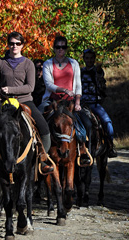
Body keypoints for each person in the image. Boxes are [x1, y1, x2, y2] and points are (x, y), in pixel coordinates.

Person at [0, 31, 54, 174]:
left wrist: (10, 89)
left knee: (44, 128)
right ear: (8, 45)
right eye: (11, 43)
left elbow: (30, 87)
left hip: (24, 101)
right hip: (4, 102)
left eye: (18, 43)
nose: (14, 46)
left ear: (22, 45)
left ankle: (42, 158)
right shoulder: (1, 63)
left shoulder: (28, 64)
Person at [39, 35, 92, 164]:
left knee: (87, 123)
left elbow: (78, 85)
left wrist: (78, 102)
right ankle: (40, 152)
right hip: (52, 101)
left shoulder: (73, 63)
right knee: (38, 118)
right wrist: (63, 90)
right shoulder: (47, 64)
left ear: (66, 49)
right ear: (54, 48)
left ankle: (83, 150)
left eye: (63, 47)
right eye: (58, 47)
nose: (60, 49)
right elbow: (48, 84)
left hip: (70, 102)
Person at [81, 48, 117, 158]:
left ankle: (110, 146)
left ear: (94, 59)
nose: (89, 60)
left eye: (92, 58)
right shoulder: (79, 72)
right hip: (81, 104)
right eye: (87, 58)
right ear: (84, 59)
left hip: (94, 103)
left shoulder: (98, 71)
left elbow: (102, 86)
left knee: (107, 122)